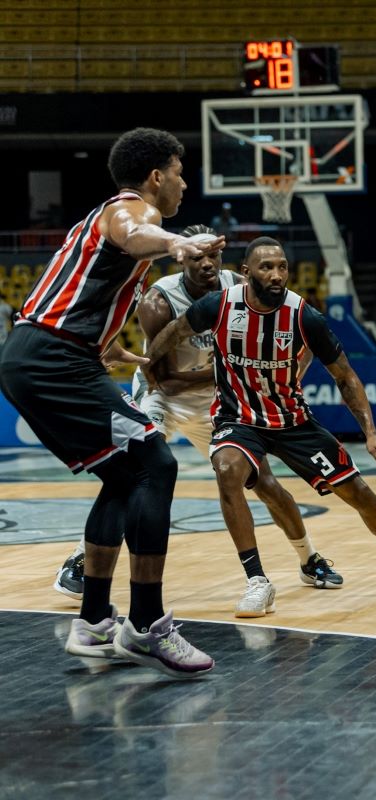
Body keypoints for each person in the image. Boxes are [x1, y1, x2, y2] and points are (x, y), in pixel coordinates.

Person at [0, 127, 218, 678]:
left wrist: (120, 351)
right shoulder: (128, 211)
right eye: (179, 171)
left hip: (44, 354)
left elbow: (80, 300)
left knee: (125, 477)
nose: (184, 183)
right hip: (53, 359)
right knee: (157, 464)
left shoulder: (111, 221)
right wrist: (174, 245)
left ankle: (94, 622)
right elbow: (131, 232)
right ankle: (145, 626)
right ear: (155, 177)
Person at [142, 237, 376, 614]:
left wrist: (370, 433)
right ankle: (257, 580)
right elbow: (173, 331)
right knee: (226, 470)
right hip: (238, 418)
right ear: (246, 272)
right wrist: (144, 360)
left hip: (292, 420)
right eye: (267, 267)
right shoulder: (218, 305)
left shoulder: (304, 315)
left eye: (282, 266)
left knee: (359, 493)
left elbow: (346, 377)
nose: (277, 274)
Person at [51, 225, 345, 609]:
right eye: (196, 257)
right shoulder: (159, 302)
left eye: (213, 256)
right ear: (181, 258)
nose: (206, 264)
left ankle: (309, 559)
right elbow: (164, 376)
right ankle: (79, 561)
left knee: (266, 482)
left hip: (217, 399)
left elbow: (304, 327)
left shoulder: (240, 285)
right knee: (134, 473)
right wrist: (242, 368)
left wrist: (288, 367)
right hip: (163, 396)